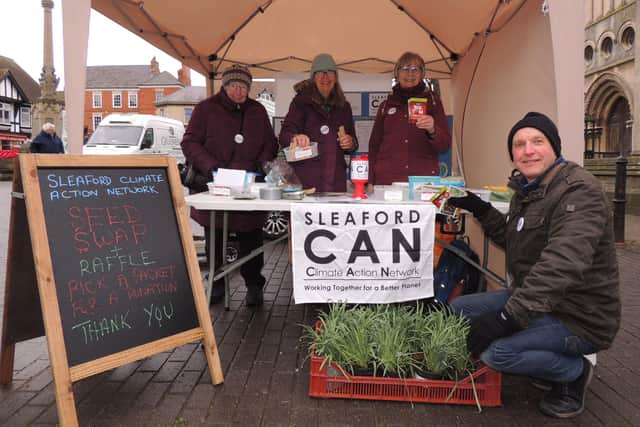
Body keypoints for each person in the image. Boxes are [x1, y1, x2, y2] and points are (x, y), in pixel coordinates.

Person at [448, 112, 621, 418]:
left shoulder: (579, 191)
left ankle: (573, 372)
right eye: (519, 144)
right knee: (461, 309)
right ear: (512, 155)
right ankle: (542, 356)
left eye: (537, 141)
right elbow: (515, 240)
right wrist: (481, 209)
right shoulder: (527, 191)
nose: (528, 150)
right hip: (539, 303)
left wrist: (507, 317)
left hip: (578, 315)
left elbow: (562, 263)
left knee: (496, 353)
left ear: (554, 147)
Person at [181, 64, 278, 305]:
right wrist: (211, 167)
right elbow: (190, 142)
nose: (239, 91)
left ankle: (254, 284)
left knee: (251, 238)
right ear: (224, 87)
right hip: (216, 186)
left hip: (248, 185)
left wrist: (259, 166)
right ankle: (216, 283)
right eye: (234, 86)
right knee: (215, 237)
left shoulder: (257, 110)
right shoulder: (206, 109)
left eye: (243, 87)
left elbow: (270, 143)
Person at [367, 51, 450, 187]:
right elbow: (374, 145)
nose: (410, 74)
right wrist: (370, 180)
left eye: (415, 69)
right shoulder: (385, 105)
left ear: (422, 74)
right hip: (387, 180)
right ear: (397, 73)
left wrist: (433, 130)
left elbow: (444, 145)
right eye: (405, 69)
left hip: (422, 180)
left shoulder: (433, 102)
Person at [279, 53, 357, 192]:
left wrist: (350, 143)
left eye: (330, 72)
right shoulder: (301, 102)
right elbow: (284, 134)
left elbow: (353, 143)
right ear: (313, 77)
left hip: (336, 181)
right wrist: (295, 137)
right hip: (307, 180)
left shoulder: (344, 106)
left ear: (336, 77)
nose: (325, 77)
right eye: (320, 72)